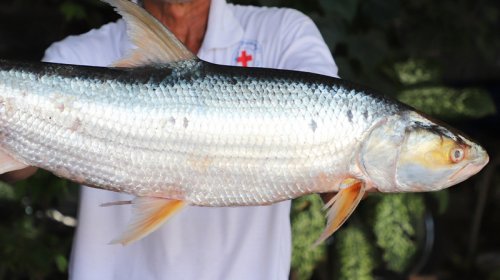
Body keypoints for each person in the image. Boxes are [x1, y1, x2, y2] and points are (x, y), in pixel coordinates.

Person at [9, 0, 338, 278]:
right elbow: (21, 164)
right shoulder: (74, 53)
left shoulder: (285, 33)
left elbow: (335, 169)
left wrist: (355, 171)